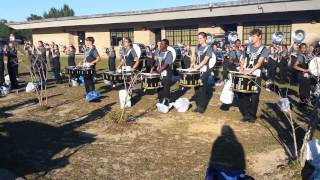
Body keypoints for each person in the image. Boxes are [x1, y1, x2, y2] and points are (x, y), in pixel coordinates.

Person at [238, 29, 269, 122]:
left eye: (254, 36)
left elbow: (259, 63)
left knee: (255, 95)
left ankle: (252, 116)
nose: (252, 38)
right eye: (251, 36)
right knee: (245, 94)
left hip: (256, 74)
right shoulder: (247, 47)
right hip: (246, 72)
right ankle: (246, 114)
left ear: (259, 36)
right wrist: (241, 68)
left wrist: (250, 71)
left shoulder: (264, 49)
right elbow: (243, 59)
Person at [190, 32, 213, 113]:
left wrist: (197, 67)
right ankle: (198, 105)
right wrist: (192, 63)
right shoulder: (197, 47)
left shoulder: (209, 48)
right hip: (197, 69)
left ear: (205, 38)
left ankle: (201, 107)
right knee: (196, 88)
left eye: (200, 38)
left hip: (204, 70)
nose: (198, 39)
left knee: (202, 89)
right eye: (198, 38)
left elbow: (205, 60)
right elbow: (194, 57)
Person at [151, 39, 173, 106]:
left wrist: (157, 71)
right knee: (159, 87)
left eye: (162, 44)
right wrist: (153, 67)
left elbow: (165, 65)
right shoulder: (158, 52)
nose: (161, 45)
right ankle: (161, 101)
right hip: (159, 73)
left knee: (166, 88)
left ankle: (166, 103)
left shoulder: (169, 53)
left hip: (166, 73)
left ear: (166, 45)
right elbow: (157, 62)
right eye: (160, 44)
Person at [293, 43, 311, 108]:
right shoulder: (300, 56)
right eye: (302, 48)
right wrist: (304, 70)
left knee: (307, 89)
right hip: (301, 75)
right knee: (303, 90)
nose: (304, 49)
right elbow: (294, 66)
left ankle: (304, 103)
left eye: (305, 47)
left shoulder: (305, 56)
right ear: (300, 48)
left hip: (306, 76)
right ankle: (302, 104)